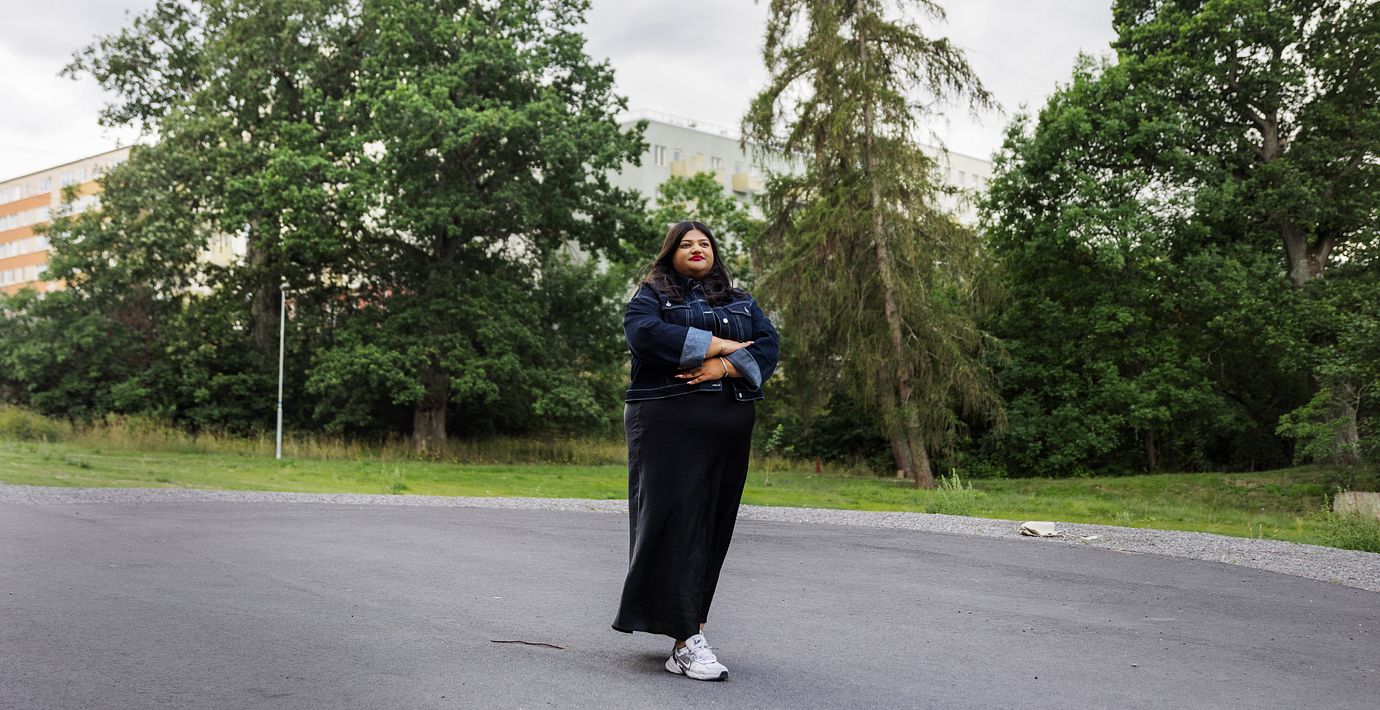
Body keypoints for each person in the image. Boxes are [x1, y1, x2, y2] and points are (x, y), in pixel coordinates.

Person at [611, 220, 780, 681]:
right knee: (676, 524)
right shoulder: (652, 295)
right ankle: (686, 640)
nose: (696, 248)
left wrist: (722, 367)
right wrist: (719, 344)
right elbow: (644, 334)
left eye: (704, 243)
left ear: (714, 253)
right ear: (671, 254)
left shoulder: (740, 299)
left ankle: (691, 630)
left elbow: (768, 346)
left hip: (730, 426)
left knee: (712, 529)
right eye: (686, 244)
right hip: (667, 423)